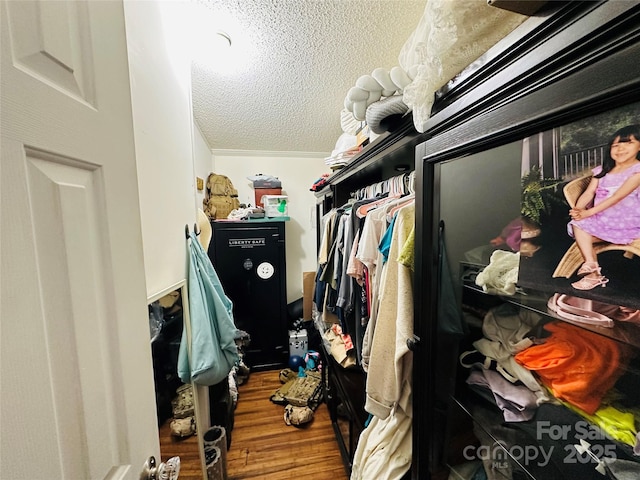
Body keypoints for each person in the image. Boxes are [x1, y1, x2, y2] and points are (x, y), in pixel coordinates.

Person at [568, 124, 640, 290]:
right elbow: (589, 193)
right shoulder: (603, 171)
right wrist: (578, 210)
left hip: (627, 221)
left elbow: (617, 197)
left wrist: (588, 212)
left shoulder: (637, 171)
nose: (620, 149)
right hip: (602, 219)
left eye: (627, 143)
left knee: (583, 231)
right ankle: (592, 268)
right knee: (578, 225)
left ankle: (591, 269)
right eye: (615, 145)